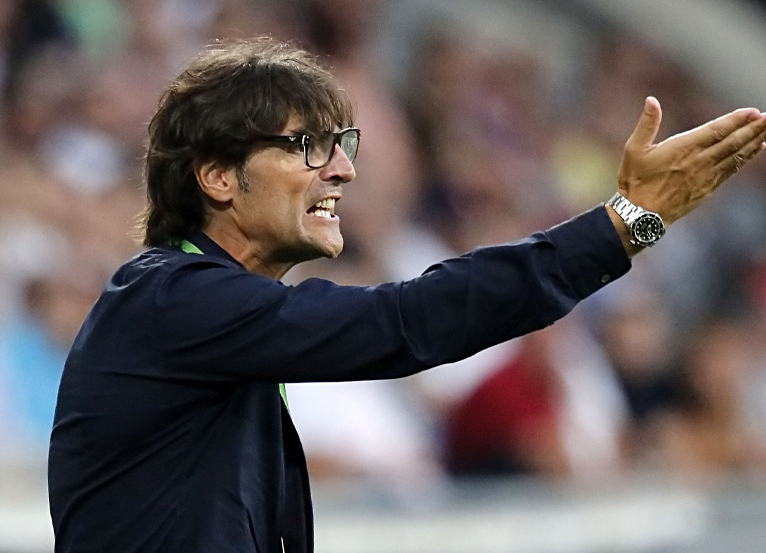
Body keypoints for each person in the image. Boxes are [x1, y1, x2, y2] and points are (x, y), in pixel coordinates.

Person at [47, 39, 766, 553]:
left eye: (343, 144)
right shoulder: (173, 301)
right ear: (217, 176)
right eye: (308, 146)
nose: (342, 170)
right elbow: (409, 318)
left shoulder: (206, 320)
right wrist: (623, 225)